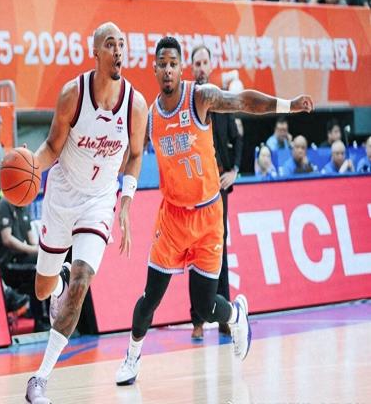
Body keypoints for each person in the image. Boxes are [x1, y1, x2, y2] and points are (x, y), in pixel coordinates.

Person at [115, 36, 313, 386]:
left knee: (206, 308)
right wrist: (121, 196)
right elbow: (130, 157)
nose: (167, 70)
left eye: (173, 64)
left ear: (181, 68)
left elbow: (243, 101)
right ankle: (131, 358)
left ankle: (235, 315)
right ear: (154, 69)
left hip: (208, 216)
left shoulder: (200, 97)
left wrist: (288, 105)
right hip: (172, 218)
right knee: (150, 298)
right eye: (162, 64)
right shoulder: (149, 116)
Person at [24, 22, 148, 404]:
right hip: (63, 195)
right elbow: (51, 147)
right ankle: (56, 283)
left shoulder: (136, 105)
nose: (118, 50)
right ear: (96, 52)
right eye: (110, 44)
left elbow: (136, 154)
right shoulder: (72, 95)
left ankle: (40, 379)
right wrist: (30, 167)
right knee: (43, 289)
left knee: (82, 282)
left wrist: (126, 201)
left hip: (99, 201)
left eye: (122, 44)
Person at [188, 45, 243, 340]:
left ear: (211, 66)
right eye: (196, 63)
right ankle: (197, 319)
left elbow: (238, 139)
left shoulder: (222, 102)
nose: (200, 68)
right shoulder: (186, 103)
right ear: (191, 68)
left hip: (218, 189)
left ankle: (223, 316)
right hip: (194, 190)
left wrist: (234, 170)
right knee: (195, 249)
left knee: (218, 247)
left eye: (204, 62)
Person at [0, 196, 50, 332]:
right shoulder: (4, 204)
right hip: (8, 263)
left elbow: (32, 239)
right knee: (37, 272)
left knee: (50, 265)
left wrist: (42, 251)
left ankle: (51, 317)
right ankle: (40, 320)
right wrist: (33, 250)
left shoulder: (24, 206)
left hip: (22, 258)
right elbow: (7, 239)